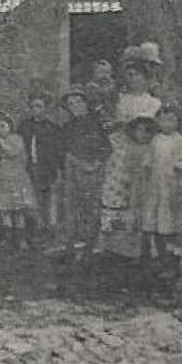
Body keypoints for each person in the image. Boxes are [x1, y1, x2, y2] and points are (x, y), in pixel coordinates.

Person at [97, 53, 164, 262]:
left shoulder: (153, 103)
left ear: (145, 77)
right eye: (128, 75)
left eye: (135, 75)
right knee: (117, 194)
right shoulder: (119, 100)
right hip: (119, 152)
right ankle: (116, 248)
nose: (131, 79)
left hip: (141, 152)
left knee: (138, 196)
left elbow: (151, 129)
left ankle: (142, 247)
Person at [139, 104, 182, 295]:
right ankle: (158, 256)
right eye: (164, 119)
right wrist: (147, 169)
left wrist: (180, 167)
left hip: (170, 185)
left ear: (178, 122)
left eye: (172, 120)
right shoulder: (156, 140)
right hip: (155, 185)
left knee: (168, 220)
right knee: (153, 219)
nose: (168, 124)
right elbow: (149, 160)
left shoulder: (180, 141)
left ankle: (170, 258)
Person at [59, 85, 111, 262]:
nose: (75, 106)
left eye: (78, 102)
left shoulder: (97, 124)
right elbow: (65, 149)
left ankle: (90, 246)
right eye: (70, 104)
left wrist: (95, 164)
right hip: (74, 170)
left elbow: (106, 148)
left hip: (94, 171)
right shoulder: (67, 127)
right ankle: (69, 247)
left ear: (86, 103)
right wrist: (76, 163)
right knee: (72, 209)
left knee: (93, 209)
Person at [0, 111, 37, 250]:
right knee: (5, 211)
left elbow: (13, 151)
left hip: (16, 180)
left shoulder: (16, 139)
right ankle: (7, 238)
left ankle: (22, 239)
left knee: (18, 211)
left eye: (3, 126)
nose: (0, 130)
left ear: (9, 126)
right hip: (2, 180)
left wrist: (1, 142)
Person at [17, 93, 65, 236]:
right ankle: (33, 230)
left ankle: (48, 228)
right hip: (29, 168)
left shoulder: (53, 129)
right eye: (32, 106)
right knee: (31, 200)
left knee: (48, 200)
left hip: (47, 169)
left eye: (39, 106)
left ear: (46, 109)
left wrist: (60, 169)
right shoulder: (24, 126)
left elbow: (59, 151)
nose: (35, 110)